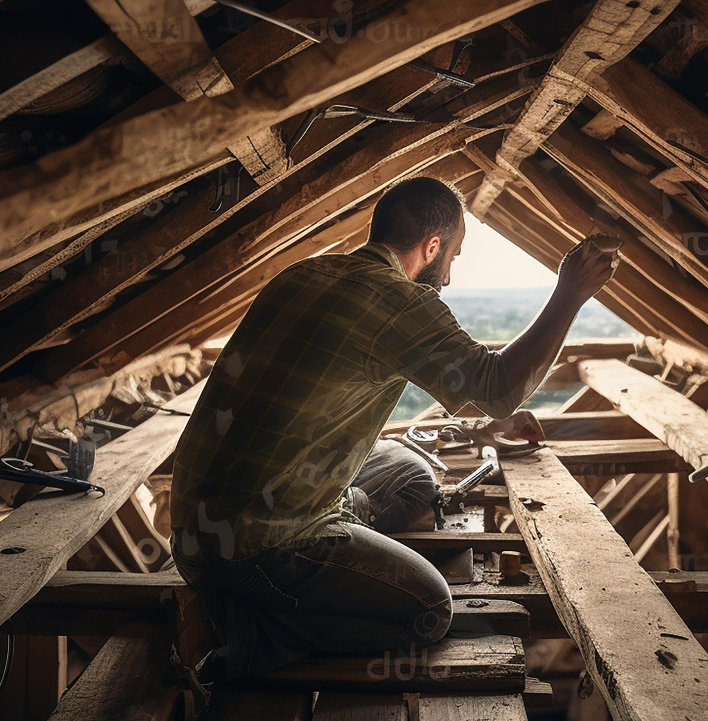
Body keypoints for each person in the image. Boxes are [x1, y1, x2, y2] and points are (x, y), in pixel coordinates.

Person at [169, 176, 619, 677]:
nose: (449, 274)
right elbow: (499, 388)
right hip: (251, 550)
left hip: (196, 523)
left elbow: (317, 399)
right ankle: (243, 635)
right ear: (431, 247)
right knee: (429, 610)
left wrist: (479, 431)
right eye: (453, 256)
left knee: (410, 477)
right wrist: (569, 296)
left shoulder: (302, 274)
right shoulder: (402, 303)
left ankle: (343, 519)